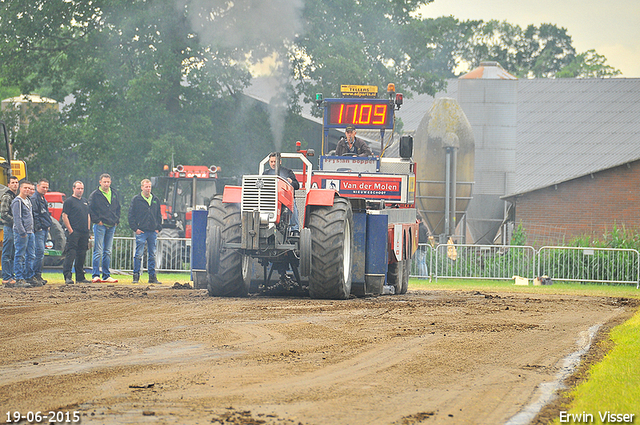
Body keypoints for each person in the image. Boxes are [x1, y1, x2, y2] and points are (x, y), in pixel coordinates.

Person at [128, 179, 163, 284]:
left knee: (152, 254)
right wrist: (135, 228)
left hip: (152, 231)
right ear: (142, 187)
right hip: (141, 231)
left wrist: (158, 227)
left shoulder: (155, 199)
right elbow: (131, 215)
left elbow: (158, 215)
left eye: (149, 187)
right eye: (146, 187)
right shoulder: (136, 200)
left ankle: (152, 277)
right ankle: (136, 276)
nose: (148, 189)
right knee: (138, 254)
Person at [89, 173, 121, 283]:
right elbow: (91, 209)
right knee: (98, 251)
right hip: (100, 226)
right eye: (104, 182)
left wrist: (117, 220)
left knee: (107, 251)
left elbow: (118, 208)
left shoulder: (114, 193)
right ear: (100, 182)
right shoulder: (95, 195)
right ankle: (95, 275)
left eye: (108, 182)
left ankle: (106, 275)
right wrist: (98, 221)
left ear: (110, 182)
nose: (106, 184)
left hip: (111, 225)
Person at [61, 181, 91, 285]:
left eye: (82, 189)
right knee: (71, 254)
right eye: (78, 188)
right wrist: (70, 230)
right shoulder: (69, 201)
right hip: (74, 232)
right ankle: (68, 276)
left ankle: (80, 276)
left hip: (84, 232)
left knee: (82, 255)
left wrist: (88, 229)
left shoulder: (85, 201)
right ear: (73, 189)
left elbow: (88, 215)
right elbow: (64, 216)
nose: (80, 191)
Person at [263, 152, 300, 234]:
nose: (273, 164)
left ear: (280, 162)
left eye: (275, 162)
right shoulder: (266, 173)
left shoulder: (287, 172)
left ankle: (295, 229)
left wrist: (291, 182)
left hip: (284, 199)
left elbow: (297, 185)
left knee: (292, 204)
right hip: (269, 198)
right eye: (271, 162)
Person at [11, 180, 37, 288]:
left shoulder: (28, 201)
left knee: (31, 255)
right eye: (25, 188)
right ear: (20, 188)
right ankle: (19, 278)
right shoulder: (17, 201)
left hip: (30, 232)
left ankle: (29, 276)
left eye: (29, 188)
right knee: (20, 255)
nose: (27, 190)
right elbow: (17, 218)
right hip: (22, 233)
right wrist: (23, 233)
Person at [31, 178, 53, 285]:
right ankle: (34, 275)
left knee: (41, 253)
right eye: (43, 187)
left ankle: (38, 275)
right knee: (38, 252)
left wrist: (48, 225)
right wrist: (38, 227)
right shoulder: (35, 198)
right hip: (39, 230)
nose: (45, 189)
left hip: (44, 228)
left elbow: (45, 214)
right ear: (37, 186)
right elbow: (35, 214)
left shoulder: (43, 199)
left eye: (46, 187)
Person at [1, 176, 19, 286]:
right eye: (12, 182)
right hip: (8, 227)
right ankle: (6, 277)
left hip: (14, 228)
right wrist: (16, 221)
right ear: (8, 184)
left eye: (16, 182)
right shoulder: (7, 197)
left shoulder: (15, 197)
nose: (15, 184)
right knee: (7, 252)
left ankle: (11, 276)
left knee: (12, 252)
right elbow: (3, 214)